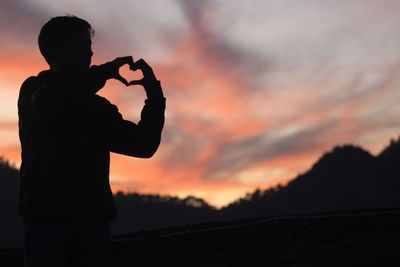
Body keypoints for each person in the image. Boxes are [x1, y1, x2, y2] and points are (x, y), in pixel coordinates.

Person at [17, 15, 166, 267]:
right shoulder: (34, 90)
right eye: (79, 46)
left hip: (92, 223)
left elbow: (143, 145)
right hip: (47, 220)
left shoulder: (98, 107)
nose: (88, 54)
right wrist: (104, 72)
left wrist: (153, 94)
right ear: (53, 51)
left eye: (89, 48)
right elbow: (53, 101)